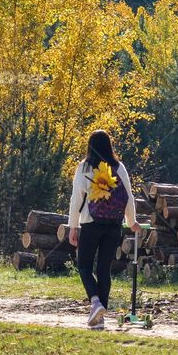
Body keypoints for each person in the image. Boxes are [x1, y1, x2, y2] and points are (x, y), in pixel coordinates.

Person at [67, 129, 140, 330]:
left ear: (90, 146)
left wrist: (73, 226)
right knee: (104, 270)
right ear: (109, 146)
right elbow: (128, 197)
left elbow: (76, 199)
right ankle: (100, 317)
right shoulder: (119, 166)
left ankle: (96, 302)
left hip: (90, 223)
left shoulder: (84, 167)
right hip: (114, 225)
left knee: (84, 266)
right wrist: (131, 221)